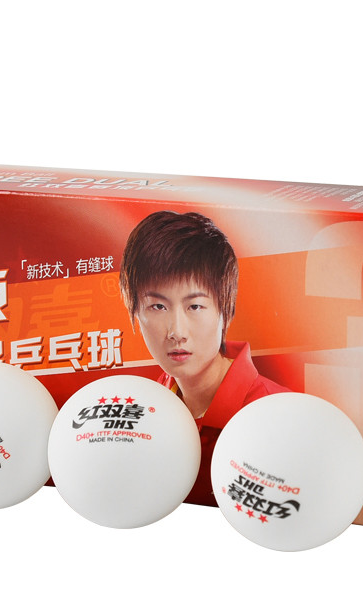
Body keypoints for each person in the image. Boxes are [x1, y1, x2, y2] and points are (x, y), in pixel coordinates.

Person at [119, 210, 287, 506]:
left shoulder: (278, 415)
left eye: (195, 306)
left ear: (225, 311)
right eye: (158, 307)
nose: (176, 332)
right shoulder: (148, 404)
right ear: (135, 312)